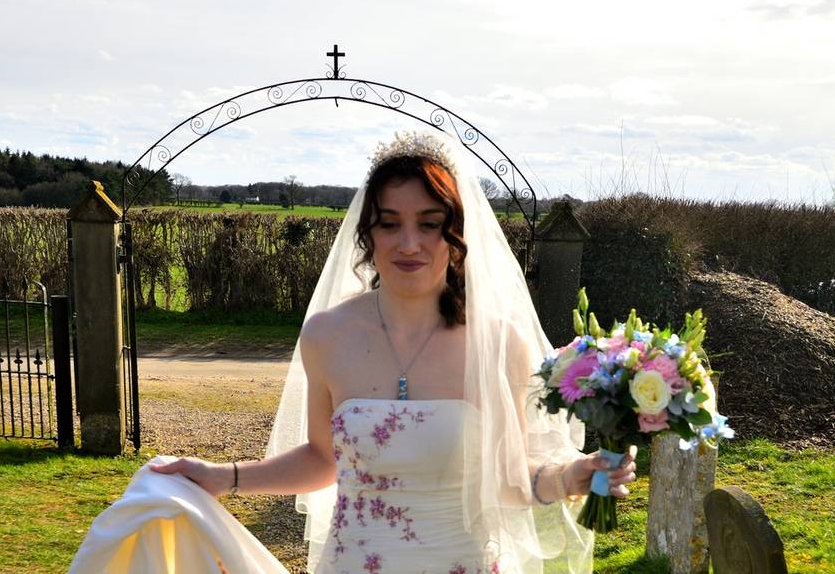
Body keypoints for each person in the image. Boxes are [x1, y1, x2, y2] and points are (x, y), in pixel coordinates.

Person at [151, 132, 638, 573]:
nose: (410, 244)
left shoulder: (498, 342)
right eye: (390, 224)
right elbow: (324, 460)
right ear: (368, 234)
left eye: (429, 224)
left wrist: (575, 475)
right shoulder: (328, 334)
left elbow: (509, 480)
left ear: (458, 235)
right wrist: (222, 476)